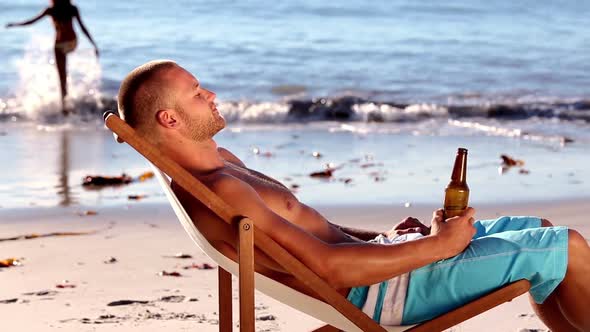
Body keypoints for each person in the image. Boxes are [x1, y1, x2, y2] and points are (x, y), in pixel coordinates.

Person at [117, 60, 590, 331]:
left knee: (542, 234)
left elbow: (316, 240)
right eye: (198, 94)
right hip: (382, 294)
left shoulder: (220, 166)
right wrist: (436, 247)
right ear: (169, 121)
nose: (212, 93)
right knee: (567, 246)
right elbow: (325, 267)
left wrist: (386, 239)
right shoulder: (222, 192)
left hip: (379, 265)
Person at [6, 0, 99, 115]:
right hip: (72, 42)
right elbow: (83, 28)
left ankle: (64, 108)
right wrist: (93, 44)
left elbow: (31, 21)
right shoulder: (72, 8)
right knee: (64, 72)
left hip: (60, 45)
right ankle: (67, 105)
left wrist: (15, 24)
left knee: (62, 77)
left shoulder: (50, 10)